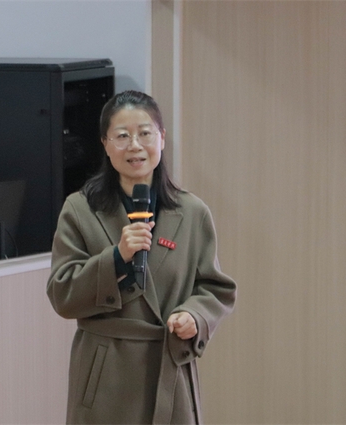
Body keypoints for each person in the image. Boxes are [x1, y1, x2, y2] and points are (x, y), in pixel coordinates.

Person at [47, 90, 237, 424]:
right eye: (122, 136)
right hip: (105, 377)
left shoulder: (192, 212)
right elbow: (62, 294)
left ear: (161, 138)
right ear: (105, 145)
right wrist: (117, 258)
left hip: (168, 370)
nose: (135, 145)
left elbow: (215, 288)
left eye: (145, 133)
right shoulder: (79, 210)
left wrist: (195, 316)